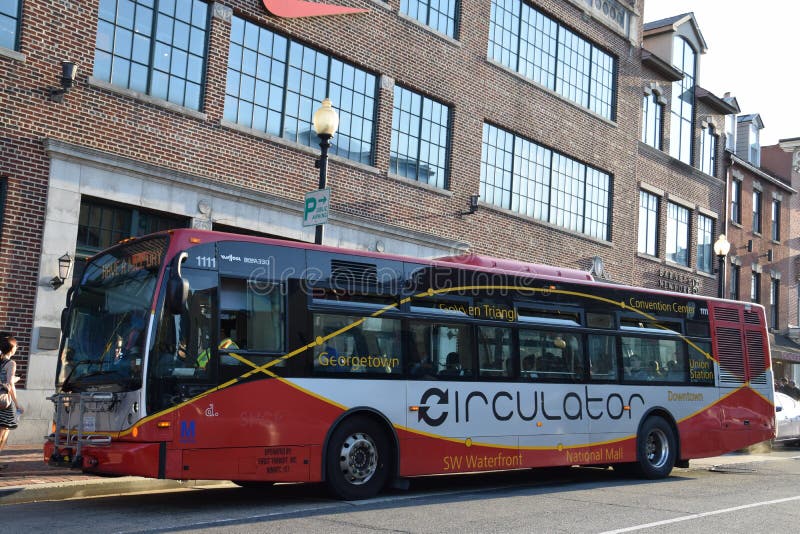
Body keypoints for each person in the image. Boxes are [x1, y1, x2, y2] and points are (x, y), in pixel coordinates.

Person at [0, 336, 24, 469]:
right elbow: (9, 384)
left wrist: (13, 380)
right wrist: (17, 402)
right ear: (11, 348)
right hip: (4, 401)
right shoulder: (11, 363)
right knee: (3, 432)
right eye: (16, 346)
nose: (17, 348)